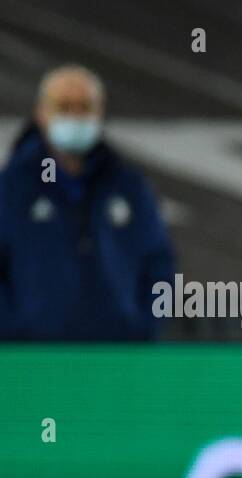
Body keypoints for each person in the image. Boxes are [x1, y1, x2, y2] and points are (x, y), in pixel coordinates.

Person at [0, 64, 174, 341]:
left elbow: (158, 263)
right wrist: (13, 329)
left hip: (118, 356)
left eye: (85, 106)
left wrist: (142, 324)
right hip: (31, 361)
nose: (76, 116)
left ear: (100, 112)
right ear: (41, 113)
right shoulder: (11, 188)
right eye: (65, 106)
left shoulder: (129, 187)